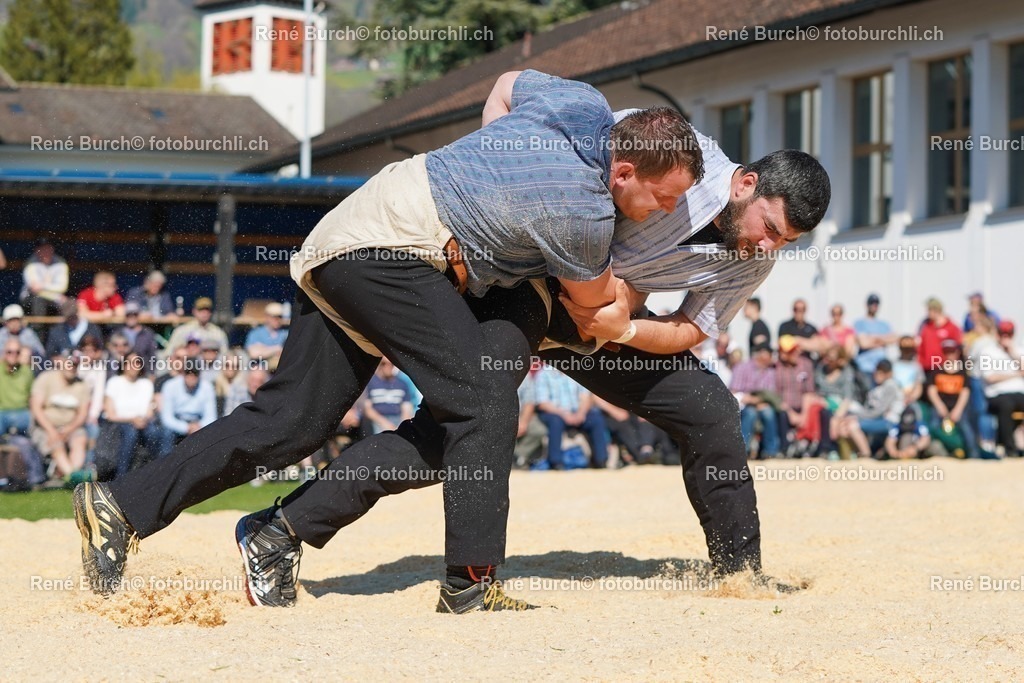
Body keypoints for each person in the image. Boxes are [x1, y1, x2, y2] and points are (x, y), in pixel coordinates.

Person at [74, 71, 705, 610]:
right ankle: (471, 585)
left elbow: (506, 86)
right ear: (622, 171)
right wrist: (635, 306)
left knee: (290, 423)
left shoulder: (583, 106)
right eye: (664, 198)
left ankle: (121, 505)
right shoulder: (584, 210)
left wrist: (485, 163)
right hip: (389, 251)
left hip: (354, 231)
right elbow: (596, 312)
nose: (667, 211)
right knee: (483, 399)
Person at [238, 133, 829, 605]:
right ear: (746, 184)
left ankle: (738, 572)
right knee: (461, 434)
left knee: (712, 411)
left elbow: (691, 331)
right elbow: (570, 154)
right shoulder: (672, 155)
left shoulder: (750, 261)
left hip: (597, 327)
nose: (769, 247)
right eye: (770, 228)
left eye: (787, 242)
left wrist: (619, 328)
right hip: (522, 291)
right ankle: (282, 530)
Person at [101, 353, 173, 479]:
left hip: (143, 422)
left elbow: (150, 411)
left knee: (155, 433)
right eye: (130, 362)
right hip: (119, 423)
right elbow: (110, 414)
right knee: (130, 433)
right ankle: (121, 476)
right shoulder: (114, 382)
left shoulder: (146, 384)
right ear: (124, 365)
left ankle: (156, 473)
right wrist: (132, 419)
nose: (134, 366)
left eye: (137, 363)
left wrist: (141, 419)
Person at [534, 365, 611, 469]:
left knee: (596, 420)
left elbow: (586, 396)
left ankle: (601, 461)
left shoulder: (577, 371)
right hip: (555, 413)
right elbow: (542, 403)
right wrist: (564, 414)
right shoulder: (543, 374)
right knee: (556, 422)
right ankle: (556, 462)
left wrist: (581, 413)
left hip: (577, 412)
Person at [30, 352, 91, 479]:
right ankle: (72, 476)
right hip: (45, 427)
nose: (71, 367)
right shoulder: (46, 378)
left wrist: (67, 430)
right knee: (56, 445)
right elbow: (36, 408)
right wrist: (52, 431)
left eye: (75, 364)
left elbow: (82, 414)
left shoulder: (82, 385)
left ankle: (73, 474)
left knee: (80, 440)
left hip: (71, 427)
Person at [970, 315, 1024, 458]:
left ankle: (1020, 441)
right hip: (997, 394)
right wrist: (1015, 375)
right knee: (1006, 406)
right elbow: (990, 377)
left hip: (1019, 392)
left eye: (1009, 333)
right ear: (997, 334)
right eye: (1002, 333)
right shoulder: (988, 352)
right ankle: (1009, 448)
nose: (1005, 337)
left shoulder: (1018, 350)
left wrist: (1011, 351)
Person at [835, 359, 903, 458]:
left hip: (889, 422)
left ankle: (865, 456)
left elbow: (879, 412)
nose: (878, 374)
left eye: (882, 372)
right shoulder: (876, 386)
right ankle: (849, 457)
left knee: (853, 425)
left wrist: (857, 417)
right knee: (844, 427)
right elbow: (869, 409)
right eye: (877, 371)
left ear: (889, 373)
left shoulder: (891, 386)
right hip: (876, 420)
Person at [924, 339, 977, 459]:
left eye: (952, 352)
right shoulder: (936, 370)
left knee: (966, 427)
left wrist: (957, 410)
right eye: (946, 352)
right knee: (932, 426)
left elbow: (965, 392)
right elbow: (931, 390)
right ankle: (928, 452)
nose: (949, 355)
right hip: (940, 406)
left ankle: (973, 455)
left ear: (957, 353)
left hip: (957, 407)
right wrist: (940, 406)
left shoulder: (963, 372)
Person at [730, 343, 780, 459]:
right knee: (750, 414)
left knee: (768, 413)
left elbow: (769, 393)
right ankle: (743, 450)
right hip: (743, 405)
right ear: (761, 355)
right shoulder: (742, 368)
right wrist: (749, 399)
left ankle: (770, 451)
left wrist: (758, 401)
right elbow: (733, 392)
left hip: (762, 403)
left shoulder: (770, 371)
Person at [774, 334, 820, 458]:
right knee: (780, 414)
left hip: (803, 406)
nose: (797, 353)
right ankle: (784, 448)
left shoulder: (806, 365)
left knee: (819, 411)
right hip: (785, 408)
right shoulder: (776, 368)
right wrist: (791, 413)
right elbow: (776, 396)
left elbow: (809, 392)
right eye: (792, 351)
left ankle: (821, 448)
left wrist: (803, 415)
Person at [159, 365, 217, 442]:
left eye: (195, 374)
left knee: (212, 432)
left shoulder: (207, 387)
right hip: (177, 423)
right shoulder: (170, 385)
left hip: (198, 423)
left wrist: (199, 426)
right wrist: (186, 427)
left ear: (200, 374)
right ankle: (166, 454)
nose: (191, 377)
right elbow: (167, 418)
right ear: (183, 373)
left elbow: (211, 417)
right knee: (166, 433)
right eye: (188, 373)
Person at [363, 358, 415, 435]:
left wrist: (401, 426)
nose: (388, 366)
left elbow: (407, 410)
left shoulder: (402, 384)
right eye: (384, 363)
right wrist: (384, 423)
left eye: (391, 363)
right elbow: (368, 409)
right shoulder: (371, 383)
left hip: (398, 419)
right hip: (378, 420)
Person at [20, 238, 68, 317]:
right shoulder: (30, 263)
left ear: (52, 249)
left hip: (55, 298)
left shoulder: (60, 262)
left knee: (70, 304)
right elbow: (35, 289)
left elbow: (63, 287)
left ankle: (60, 329)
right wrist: (56, 297)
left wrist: (42, 286)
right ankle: (38, 329)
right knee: (39, 300)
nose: (46, 251)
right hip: (30, 297)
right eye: (42, 249)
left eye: (48, 248)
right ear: (36, 250)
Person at [853, 293, 895, 377]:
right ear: (867, 305)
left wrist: (871, 338)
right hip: (865, 367)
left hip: (881, 368)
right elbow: (863, 344)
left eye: (876, 304)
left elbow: (893, 339)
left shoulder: (884, 324)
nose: (874, 306)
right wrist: (882, 340)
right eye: (871, 303)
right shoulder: (859, 323)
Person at [918, 298, 962, 372]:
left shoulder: (951, 327)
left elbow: (958, 346)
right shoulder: (926, 327)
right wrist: (921, 361)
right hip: (928, 367)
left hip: (944, 368)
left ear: (936, 310)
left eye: (929, 310)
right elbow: (921, 346)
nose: (927, 313)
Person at [114, 302, 159, 374]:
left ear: (138, 315)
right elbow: (112, 357)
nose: (131, 317)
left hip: (143, 373)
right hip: (121, 373)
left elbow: (152, 356)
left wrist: (151, 374)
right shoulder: (117, 333)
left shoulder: (147, 334)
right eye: (128, 315)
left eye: (134, 314)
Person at [0, 339, 33, 436]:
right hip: (2, 412)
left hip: (22, 413)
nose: (13, 355)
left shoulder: (26, 371)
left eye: (17, 352)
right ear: (4, 353)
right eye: (9, 352)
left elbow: (31, 396)